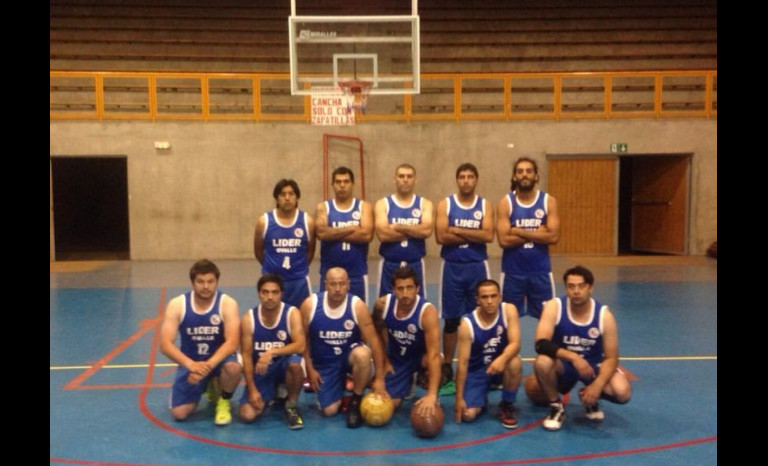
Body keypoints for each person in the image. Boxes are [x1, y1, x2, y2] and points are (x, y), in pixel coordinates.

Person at [532, 265, 632, 431]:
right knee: (536, 381)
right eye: (571, 286)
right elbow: (540, 343)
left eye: (581, 286)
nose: (576, 291)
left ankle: (589, 397)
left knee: (622, 392)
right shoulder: (554, 306)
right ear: (566, 288)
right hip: (564, 365)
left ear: (590, 287)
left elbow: (612, 358)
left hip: (592, 367)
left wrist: (598, 385)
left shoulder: (604, 316)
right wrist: (573, 357)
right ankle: (556, 406)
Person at [301, 267, 389, 428]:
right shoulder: (310, 305)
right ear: (325, 284)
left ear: (348, 285)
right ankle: (342, 384)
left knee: (362, 354)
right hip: (324, 363)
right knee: (329, 411)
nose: (337, 289)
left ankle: (356, 400)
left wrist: (380, 378)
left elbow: (374, 341)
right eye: (333, 284)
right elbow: (302, 340)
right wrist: (309, 368)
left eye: (342, 284)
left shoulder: (357, 306)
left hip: (348, 357)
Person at [435, 162, 495, 390]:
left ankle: (478, 365)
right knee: (451, 320)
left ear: (476, 179)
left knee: (481, 318)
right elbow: (441, 236)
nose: (466, 180)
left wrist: (457, 230)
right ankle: (448, 367)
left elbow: (488, 235)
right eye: (462, 177)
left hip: (477, 267)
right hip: (452, 267)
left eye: (470, 176)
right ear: (457, 180)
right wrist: (473, 235)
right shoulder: (446, 204)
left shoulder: (485, 205)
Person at [159, 259, 241, 425]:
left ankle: (224, 401)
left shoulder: (227, 303)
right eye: (200, 282)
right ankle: (208, 385)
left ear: (217, 281)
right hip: (192, 362)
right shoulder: (177, 304)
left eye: (211, 281)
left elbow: (232, 342)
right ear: (192, 282)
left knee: (234, 368)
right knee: (179, 414)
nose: (206, 286)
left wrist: (207, 366)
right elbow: (165, 345)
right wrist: (190, 365)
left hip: (218, 361)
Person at [239, 273, 307, 429]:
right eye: (265, 292)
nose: (270, 297)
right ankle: (272, 392)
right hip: (262, 370)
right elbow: (247, 356)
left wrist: (271, 352)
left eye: (274, 292)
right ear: (259, 294)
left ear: (281, 294)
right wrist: (252, 389)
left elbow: (301, 345)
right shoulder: (249, 319)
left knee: (295, 366)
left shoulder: (291, 313)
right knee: (247, 415)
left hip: (284, 364)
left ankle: (291, 405)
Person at [372, 266, 441, 416]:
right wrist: (383, 365)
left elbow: (434, 353)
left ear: (417, 288)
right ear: (393, 290)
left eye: (409, 288)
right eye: (400, 288)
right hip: (397, 359)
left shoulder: (427, 312)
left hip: (420, 356)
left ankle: (425, 379)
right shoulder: (382, 306)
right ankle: (407, 380)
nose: (405, 293)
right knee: (390, 405)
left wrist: (431, 395)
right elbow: (376, 339)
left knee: (436, 360)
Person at [496, 157, 560, 319]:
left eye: (529, 171)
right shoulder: (506, 203)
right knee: (507, 321)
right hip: (512, 273)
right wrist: (537, 234)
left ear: (536, 176)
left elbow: (553, 237)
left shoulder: (548, 201)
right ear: (514, 177)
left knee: (548, 319)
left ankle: (544, 346)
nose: (525, 175)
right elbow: (503, 241)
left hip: (541, 272)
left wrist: (519, 231)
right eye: (520, 171)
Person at [454, 280, 522, 429]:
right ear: (477, 300)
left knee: (515, 362)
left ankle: (507, 404)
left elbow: (516, 343)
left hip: (500, 367)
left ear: (500, 297)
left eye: (493, 296)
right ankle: (480, 399)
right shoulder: (467, 324)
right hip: (477, 370)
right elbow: (462, 364)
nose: (490, 301)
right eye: (484, 297)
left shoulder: (509, 311)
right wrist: (459, 398)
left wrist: (502, 360)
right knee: (468, 415)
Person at [253, 179, 316, 309]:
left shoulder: (307, 222)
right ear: (276, 198)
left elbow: (310, 251)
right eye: (282, 194)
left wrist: (297, 268)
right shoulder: (264, 221)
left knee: (303, 321)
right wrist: (272, 268)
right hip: (273, 283)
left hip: (299, 282)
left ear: (297, 197)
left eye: (291, 194)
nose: (287, 198)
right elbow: (258, 251)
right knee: (274, 320)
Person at [374, 163, 434, 298]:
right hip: (389, 265)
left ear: (415, 180)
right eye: (401, 176)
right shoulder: (383, 204)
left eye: (409, 176)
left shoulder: (425, 204)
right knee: (385, 306)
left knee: (418, 305)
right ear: (394, 179)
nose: (405, 179)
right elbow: (383, 234)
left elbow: (426, 231)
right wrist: (414, 231)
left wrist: (398, 227)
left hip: (415, 264)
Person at [315, 167, 374, 302]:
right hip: (329, 274)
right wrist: (352, 228)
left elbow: (366, 235)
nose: (342, 185)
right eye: (338, 182)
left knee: (358, 314)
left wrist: (333, 232)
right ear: (332, 185)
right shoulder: (323, 207)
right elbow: (321, 233)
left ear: (353, 184)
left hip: (357, 274)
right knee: (327, 313)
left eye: (346, 181)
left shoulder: (364, 206)